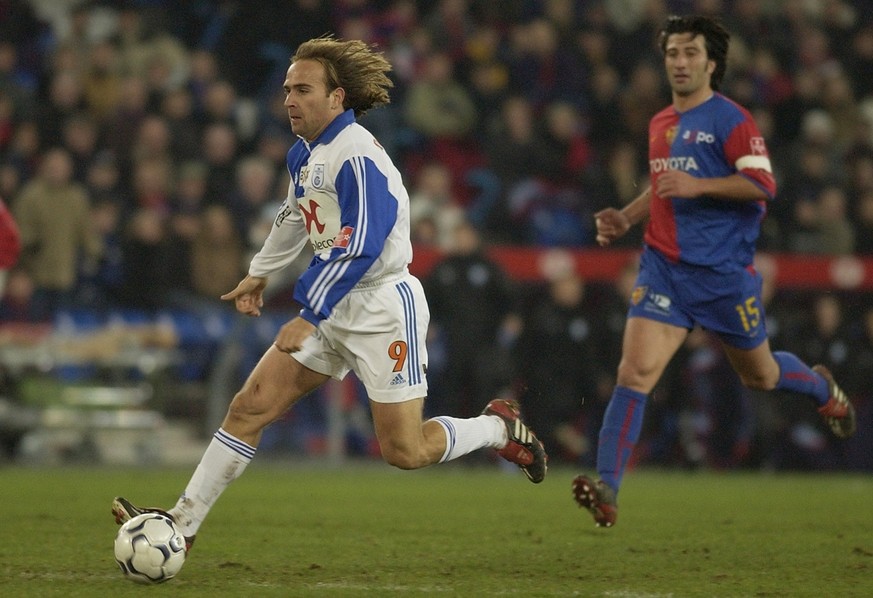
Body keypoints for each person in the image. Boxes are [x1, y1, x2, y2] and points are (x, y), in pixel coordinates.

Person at [111, 37, 546, 555]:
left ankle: (498, 429)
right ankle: (181, 524)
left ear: (337, 98)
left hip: (382, 306)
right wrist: (260, 273)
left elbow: (361, 244)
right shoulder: (305, 154)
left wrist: (310, 313)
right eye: (287, 89)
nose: (290, 99)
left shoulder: (357, 156)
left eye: (303, 89)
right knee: (250, 406)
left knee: (404, 450)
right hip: (335, 302)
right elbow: (295, 216)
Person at [571, 15, 856, 528]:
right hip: (665, 270)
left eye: (690, 53)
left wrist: (699, 186)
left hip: (723, 276)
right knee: (634, 372)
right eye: (672, 53)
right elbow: (664, 188)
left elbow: (763, 185)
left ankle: (819, 388)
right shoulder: (660, 123)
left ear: (711, 62)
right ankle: (608, 489)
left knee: (761, 376)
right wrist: (626, 217)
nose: (680, 62)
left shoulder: (731, 121)